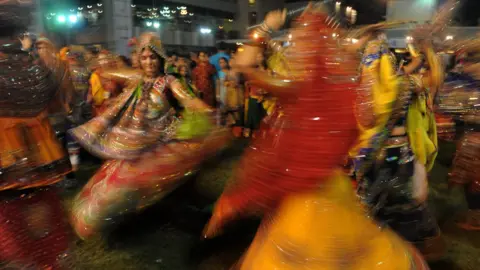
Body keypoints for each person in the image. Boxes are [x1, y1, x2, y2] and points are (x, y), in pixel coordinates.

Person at [203, 6, 428, 269]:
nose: (296, 49)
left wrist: (265, 27)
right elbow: (366, 119)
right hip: (335, 187)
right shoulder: (344, 86)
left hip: (305, 198)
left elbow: (243, 65)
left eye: (300, 42)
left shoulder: (296, 88)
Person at [69, 32, 231, 240]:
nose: (149, 62)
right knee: (112, 191)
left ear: (160, 58)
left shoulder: (169, 81)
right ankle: (133, 219)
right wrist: (95, 61)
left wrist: (206, 112)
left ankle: (178, 214)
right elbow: (110, 73)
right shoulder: (137, 79)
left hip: (163, 143)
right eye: (144, 58)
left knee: (157, 184)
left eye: (153, 57)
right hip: (135, 145)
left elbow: (187, 99)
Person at [0, 3, 74, 267]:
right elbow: (61, 106)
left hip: (11, 168)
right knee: (42, 233)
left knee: (15, 238)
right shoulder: (37, 66)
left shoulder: (34, 65)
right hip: (39, 164)